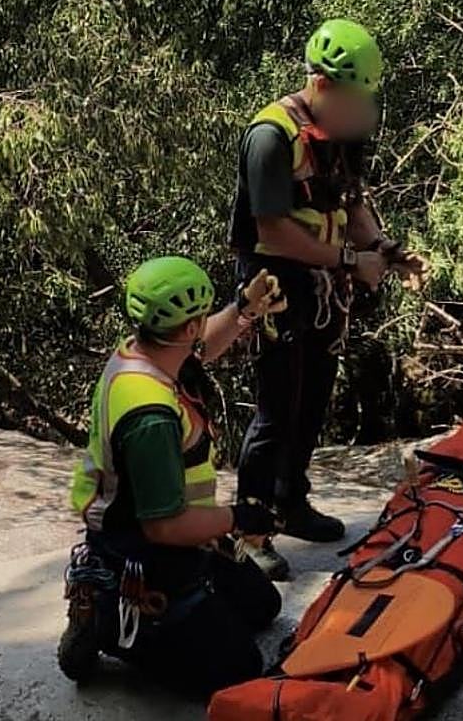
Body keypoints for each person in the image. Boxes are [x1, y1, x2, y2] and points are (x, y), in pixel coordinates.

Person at [228, 18, 425, 579]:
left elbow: (351, 204)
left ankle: (291, 501)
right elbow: (270, 231)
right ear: (323, 84)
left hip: (321, 289)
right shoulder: (272, 136)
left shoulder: (337, 134)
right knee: (276, 407)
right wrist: (347, 261)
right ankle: (250, 529)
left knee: (313, 398)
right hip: (275, 287)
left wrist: (386, 250)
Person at [61, 255, 289, 698]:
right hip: (144, 556)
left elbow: (202, 347)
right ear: (185, 328)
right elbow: (163, 526)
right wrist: (239, 516)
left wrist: (245, 308)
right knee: (240, 668)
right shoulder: (150, 417)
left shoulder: (146, 353)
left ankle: (178, 616)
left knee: (263, 607)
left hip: (180, 539)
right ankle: (107, 624)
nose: (203, 327)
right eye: (200, 319)